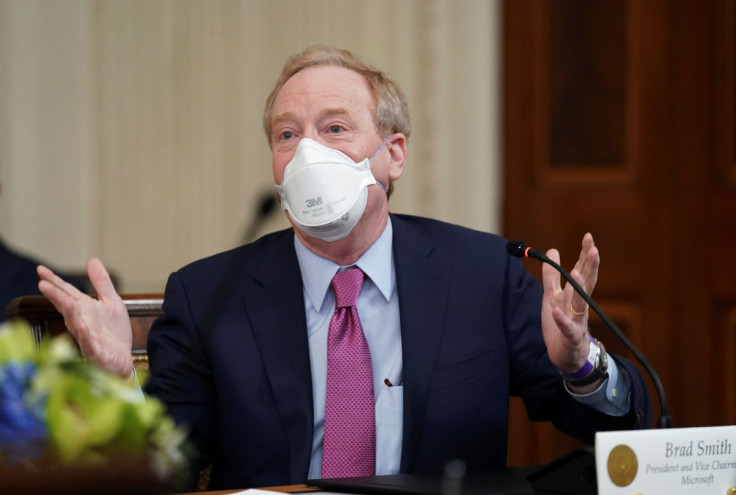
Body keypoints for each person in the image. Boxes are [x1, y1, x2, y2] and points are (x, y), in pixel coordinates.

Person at [37, 45, 652, 490]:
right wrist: (118, 381)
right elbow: (164, 471)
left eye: (334, 128)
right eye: (286, 135)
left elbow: (621, 425)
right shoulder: (207, 294)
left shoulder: (479, 275)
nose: (307, 153)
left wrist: (581, 365)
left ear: (393, 155)